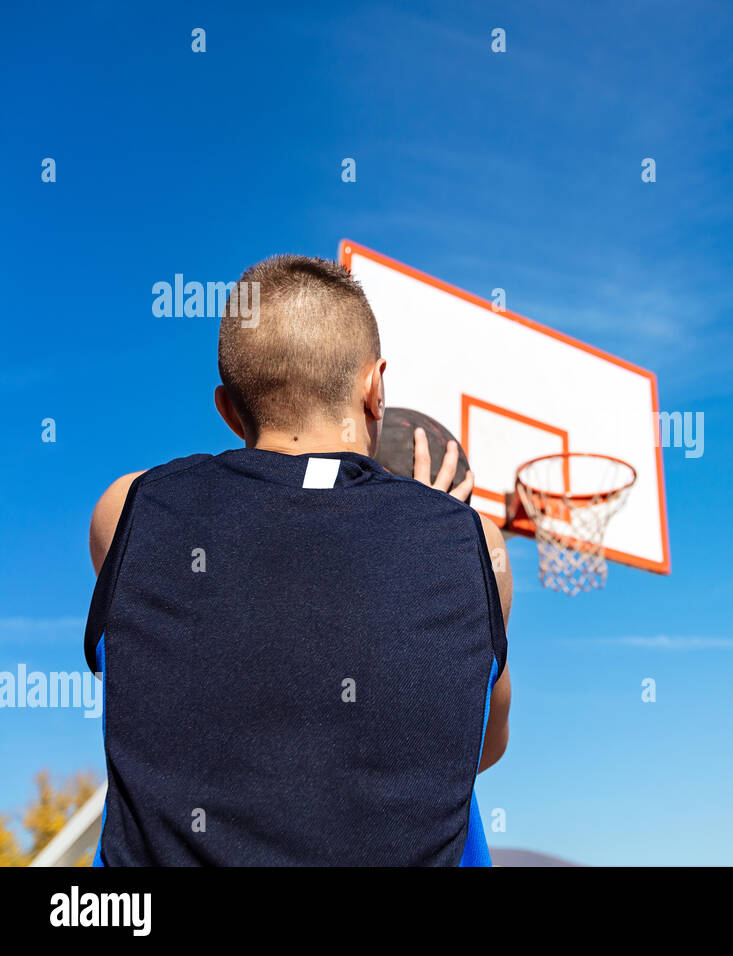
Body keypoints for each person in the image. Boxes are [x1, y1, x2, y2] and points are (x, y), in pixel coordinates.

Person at [83, 255, 512, 865]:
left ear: (228, 410)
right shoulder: (476, 547)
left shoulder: (126, 510)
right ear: (376, 387)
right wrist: (437, 534)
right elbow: (481, 745)